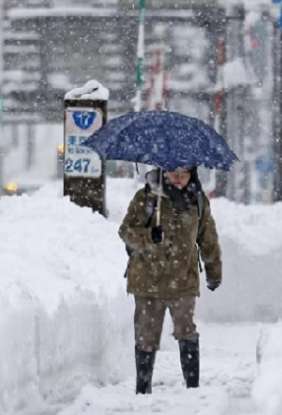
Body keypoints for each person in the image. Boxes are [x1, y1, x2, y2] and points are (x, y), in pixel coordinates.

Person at [118, 167, 223, 394]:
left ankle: (192, 388)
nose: (178, 179)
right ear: (163, 172)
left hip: (183, 280)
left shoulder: (198, 201)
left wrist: (214, 272)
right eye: (173, 173)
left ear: (192, 175)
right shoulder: (146, 198)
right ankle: (143, 389)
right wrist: (148, 236)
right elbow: (125, 230)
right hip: (147, 280)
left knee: (186, 331)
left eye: (184, 174)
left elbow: (208, 238)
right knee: (146, 336)